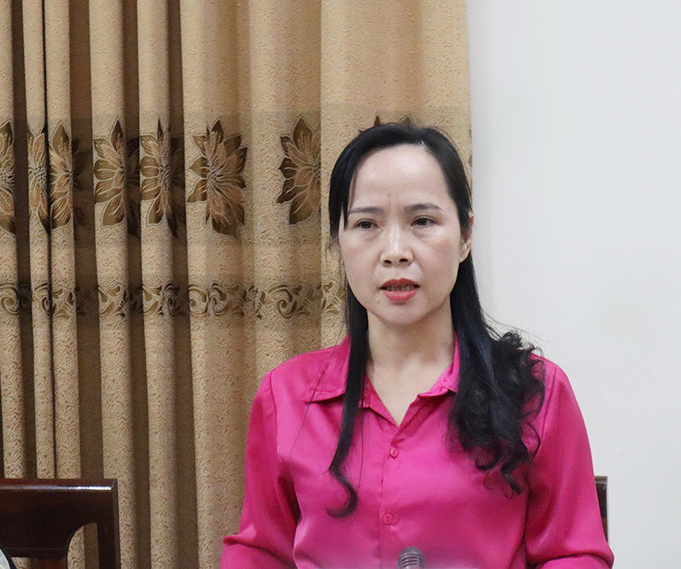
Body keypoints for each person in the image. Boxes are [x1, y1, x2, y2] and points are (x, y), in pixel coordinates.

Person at [221, 124, 613, 569]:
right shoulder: (287, 396)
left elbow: (573, 554)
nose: (395, 251)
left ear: (465, 236)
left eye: (422, 221)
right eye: (366, 224)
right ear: (338, 243)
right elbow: (260, 552)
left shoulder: (535, 392)